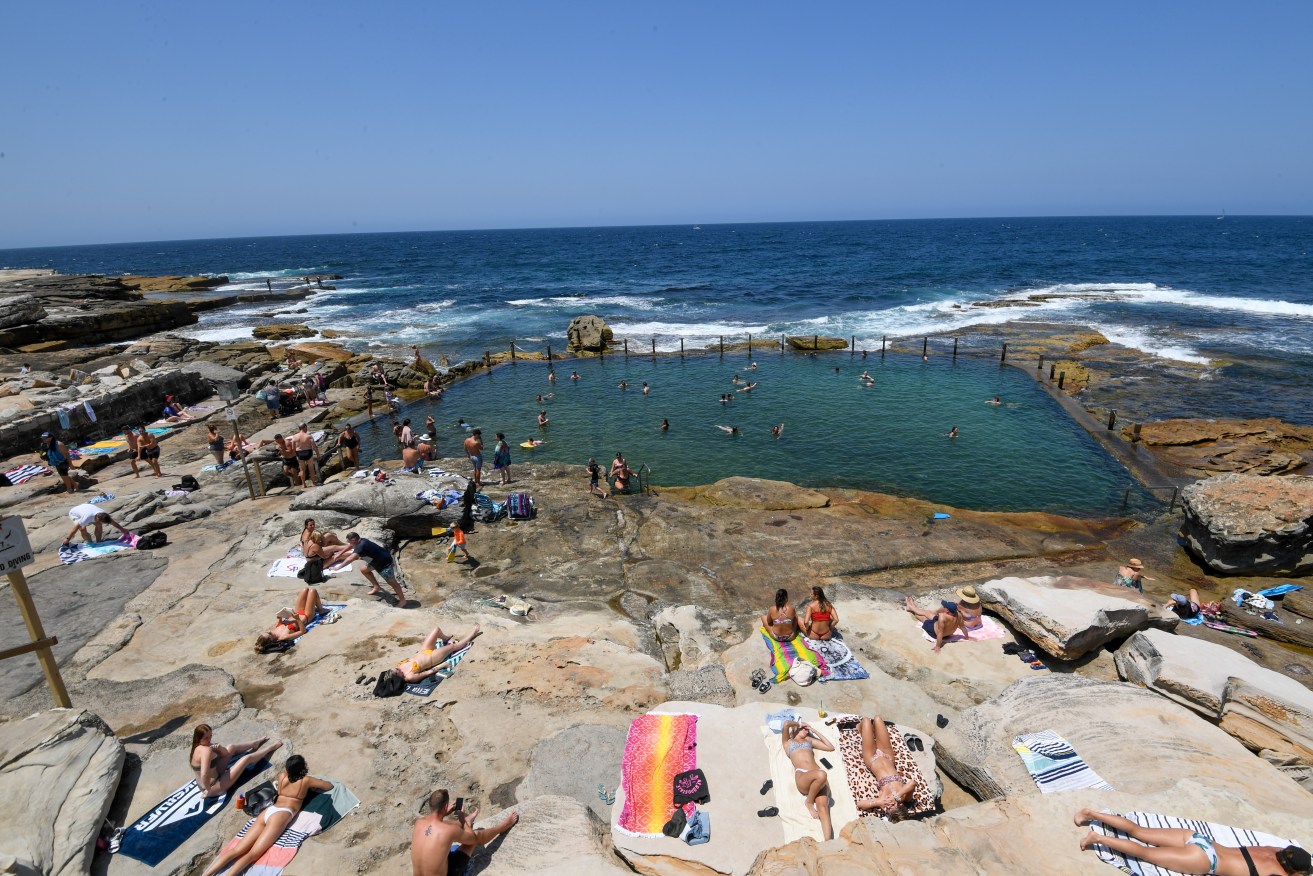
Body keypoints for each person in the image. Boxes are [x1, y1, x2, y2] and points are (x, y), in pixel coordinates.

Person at [1074, 808, 1312, 876]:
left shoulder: (1272, 848)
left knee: (1140, 830)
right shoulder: (1275, 873)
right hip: (1205, 860)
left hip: (1200, 839)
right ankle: (1098, 838)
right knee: (1145, 854)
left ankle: (1091, 814)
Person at [201, 754, 331, 876]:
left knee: (237, 850)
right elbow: (328, 786)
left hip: (268, 811)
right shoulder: (306, 780)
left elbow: (280, 792)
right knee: (253, 854)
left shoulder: (282, 776)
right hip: (281, 815)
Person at [411, 790, 519, 876]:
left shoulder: (419, 823)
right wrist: (463, 821)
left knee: (446, 828)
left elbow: (436, 823)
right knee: (475, 836)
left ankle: (467, 820)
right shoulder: (448, 830)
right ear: (445, 807)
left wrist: (445, 813)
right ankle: (503, 826)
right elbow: (473, 838)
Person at [188, 724, 283, 800]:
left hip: (215, 775)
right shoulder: (205, 750)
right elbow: (204, 774)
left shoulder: (201, 745)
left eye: (210, 736)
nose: (209, 739)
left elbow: (225, 753)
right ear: (198, 738)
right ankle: (271, 748)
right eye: (206, 738)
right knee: (246, 759)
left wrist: (219, 748)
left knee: (231, 747)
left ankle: (254, 744)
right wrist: (208, 790)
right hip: (213, 786)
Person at [780, 721, 835, 840]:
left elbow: (830, 747)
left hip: (818, 778)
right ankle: (809, 802)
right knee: (822, 775)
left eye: (807, 728)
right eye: (804, 728)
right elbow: (785, 725)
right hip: (803, 776)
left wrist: (814, 730)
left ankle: (829, 842)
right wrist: (798, 723)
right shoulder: (788, 742)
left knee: (823, 808)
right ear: (796, 729)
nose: (807, 730)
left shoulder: (809, 740)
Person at [856, 716, 916, 821]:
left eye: (888, 809)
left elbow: (860, 804)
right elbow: (912, 783)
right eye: (893, 806)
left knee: (866, 720)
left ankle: (861, 729)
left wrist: (879, 802)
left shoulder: (882, 802)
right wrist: (897, 796)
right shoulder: (905, 797)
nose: (889, 805)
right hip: (888, 756)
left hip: (872, 759)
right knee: (878, 719)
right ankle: (870, 733)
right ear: (900, 805)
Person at [389, 625, 483, 684]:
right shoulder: (409, 677)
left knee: (436, 629)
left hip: (423, 651)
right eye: (397, 670)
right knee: (454, 646)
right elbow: (429, 672)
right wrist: (443, 665)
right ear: (398, 677)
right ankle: (472, 634)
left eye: (396, 668)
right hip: (432, 658)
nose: (398, 668)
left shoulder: (399, 666)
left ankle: (445, 639)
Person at [332, 532, 407, 604]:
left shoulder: (361, 545)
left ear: (353, 540)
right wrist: (339, 553)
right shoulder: (360, 540)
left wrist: (338, 568)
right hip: (374, 561)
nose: (348, 542)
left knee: (392, 582)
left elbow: (351, 558)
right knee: (364, 570)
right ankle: (376, 586)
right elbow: (350, 545)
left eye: (349, 541)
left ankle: (402, 600)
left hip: (384, 564)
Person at [255, 587, 328, 652]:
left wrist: (280, 618)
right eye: (269, 633)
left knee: (304, 590)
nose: (269, 631)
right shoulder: (284, 636)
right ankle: (320, 609)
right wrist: (297, 619)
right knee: (313, 591)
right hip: (306, 616)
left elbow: (280, 624)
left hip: (297, 612)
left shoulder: (273, 631)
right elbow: (303, 631)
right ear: (271, 640)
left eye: (266, 632)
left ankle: (316, 606)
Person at [902, 594, 968, 653]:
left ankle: (910, 608)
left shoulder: (942, 617)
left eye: (944, 607)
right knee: (928, 613)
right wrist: (967, 637)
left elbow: (940, 633)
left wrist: (938, 646)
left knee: (923, 618)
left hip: (933, 631)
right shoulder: (958, 615)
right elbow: (963, 627)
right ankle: (912, 607)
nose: (943, 607)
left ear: (947, 611)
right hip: (949, 633)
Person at [63, 503, 131, 546]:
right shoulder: (87, 517)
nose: (102, 522)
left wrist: (123, 529)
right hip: (75, 513)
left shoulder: (104, 515)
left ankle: (99, 542)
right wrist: (67, 539)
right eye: (101, 521)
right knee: (82, 528)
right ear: (98, 517)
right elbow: (75, 528)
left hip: (87, 507)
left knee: (99, 525)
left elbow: (114, 524)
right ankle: (90, 543)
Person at [290, 423, 319, 488]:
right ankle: (313, 483)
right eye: (306, 427)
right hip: (308, 451)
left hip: (299, 453)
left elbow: (293, 448)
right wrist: (318, 454)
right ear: (305, 427)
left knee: (302, 469)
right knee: (311, 468)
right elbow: (314, 447)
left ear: (299, 428)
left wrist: (293, 456)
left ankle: (303, 484)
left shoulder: (294, 437)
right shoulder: (308, 436)